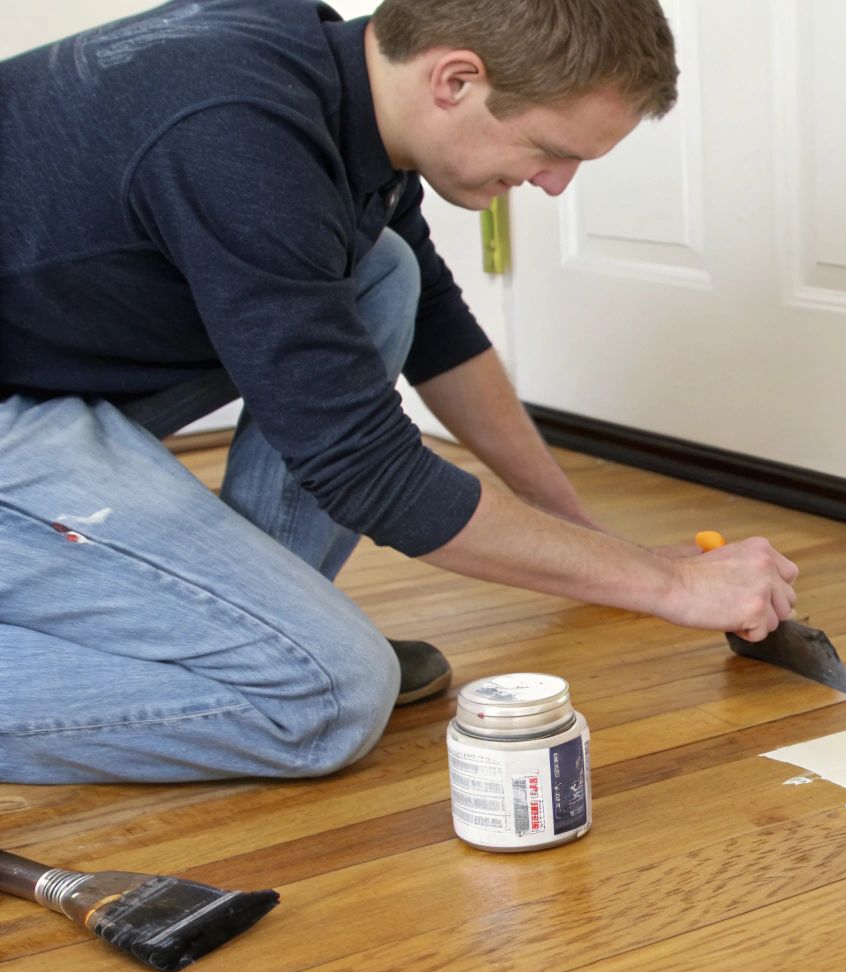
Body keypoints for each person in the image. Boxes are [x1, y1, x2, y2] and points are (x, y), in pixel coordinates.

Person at [0, 0, 799, 784]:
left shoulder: (332, 83)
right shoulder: (236, 136)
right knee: (327, 697)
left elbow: (435, 328)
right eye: (552, 150)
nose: (556, 186)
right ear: (455, 79)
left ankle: (262, 622)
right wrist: (671, 586)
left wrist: (581, 531)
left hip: (39, 367)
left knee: (384, 271)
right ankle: (279, 654)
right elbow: (370, 474)